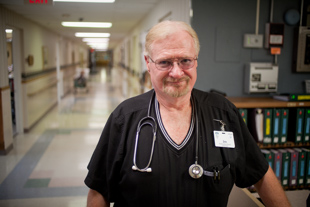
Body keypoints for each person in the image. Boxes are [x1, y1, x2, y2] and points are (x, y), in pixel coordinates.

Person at [85, 20, 291, 207]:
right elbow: (99, 191)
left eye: (185, 60)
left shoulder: (223, 113)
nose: (176, 72)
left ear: (196, 61)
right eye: (165, 62)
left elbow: (260, 173)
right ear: (148, 63)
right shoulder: (125, 117)